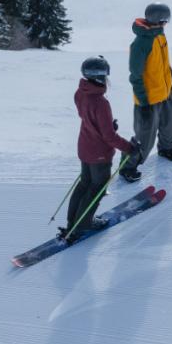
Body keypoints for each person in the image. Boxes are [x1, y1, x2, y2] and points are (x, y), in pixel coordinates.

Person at [62, 56, 136, 242]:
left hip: (85, 146)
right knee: (97, 188)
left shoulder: (80, 93)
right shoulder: (101, 102)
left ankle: (73, 221)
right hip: (99, 154)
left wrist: (108, 126)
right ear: (101, 77)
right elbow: (108, 137)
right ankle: (83, 224)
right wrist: (129, 147)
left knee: (84, 184)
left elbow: (89, 119)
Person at [120, 2, 172, 182]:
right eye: (165, 20)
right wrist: (144, 101)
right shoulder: (141, 43)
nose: (166, 24)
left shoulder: (160, 36)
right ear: (157, 20)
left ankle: (166, 148)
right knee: (145, 137)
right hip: (148, 98)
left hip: (165, 92)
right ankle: (128, 166)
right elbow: (135, 76)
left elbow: (164, 64)